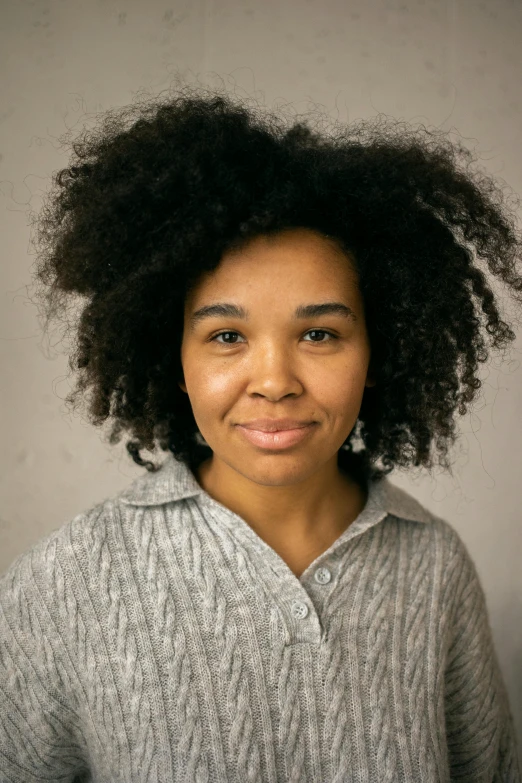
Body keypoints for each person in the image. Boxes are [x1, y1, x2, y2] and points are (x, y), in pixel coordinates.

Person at [1, 81, 521, 782]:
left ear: (379, 350)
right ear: (172, 360)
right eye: (225, 335)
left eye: (319, 332)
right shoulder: (64, 582)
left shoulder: (434, 567)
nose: (274, 379)